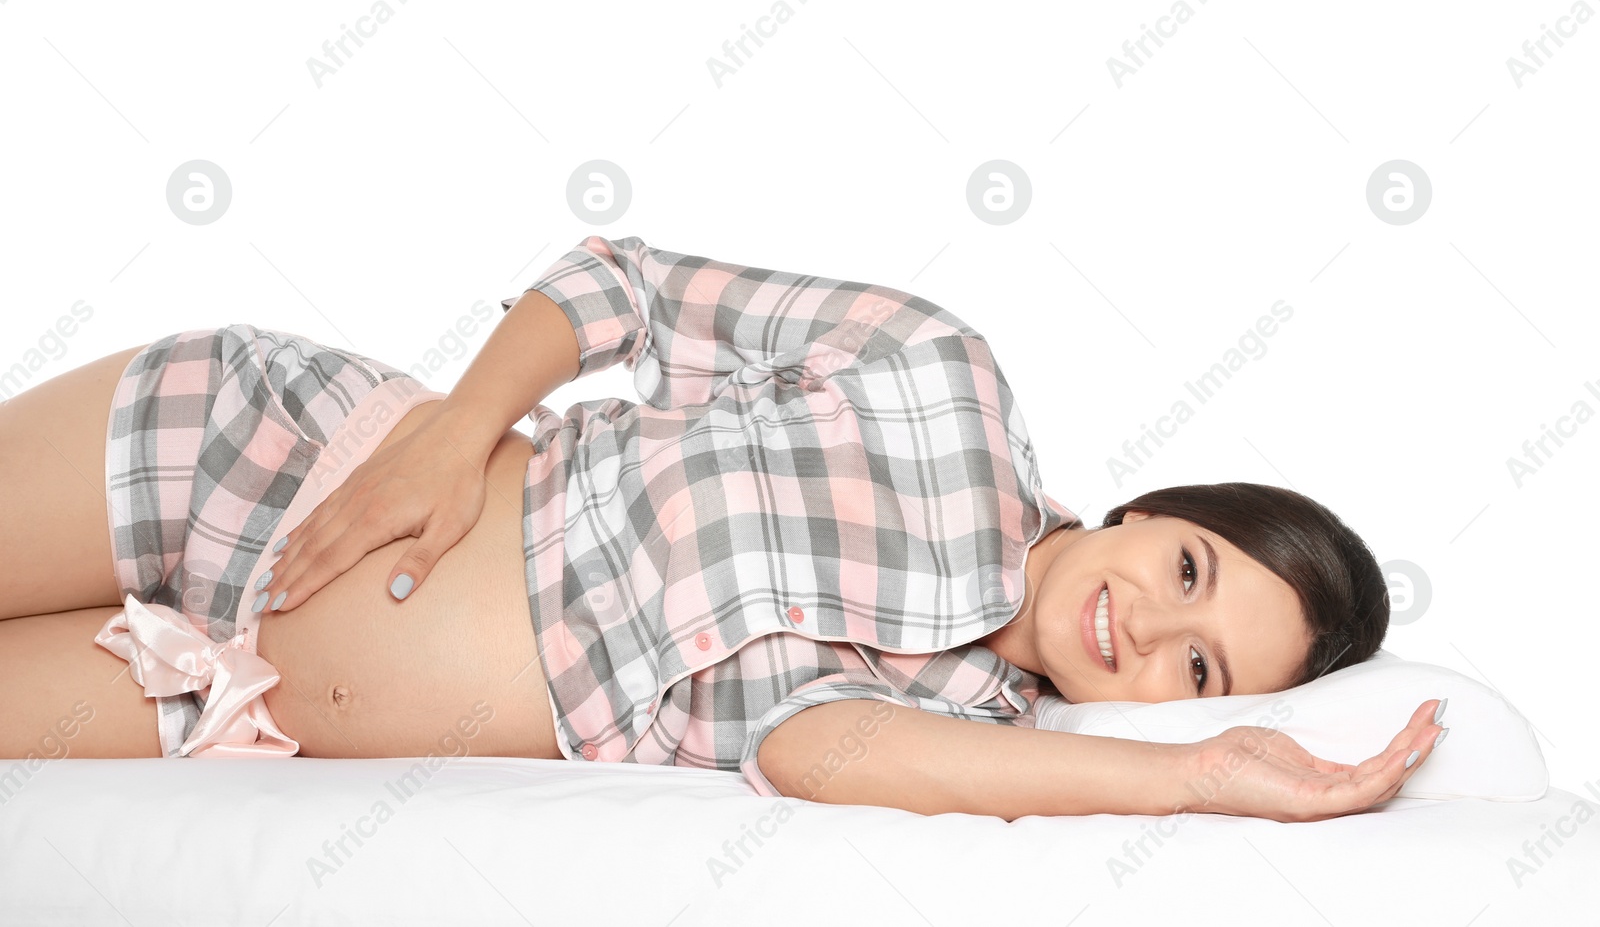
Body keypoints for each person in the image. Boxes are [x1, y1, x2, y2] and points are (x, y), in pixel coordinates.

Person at [0, 235, 1446, 822]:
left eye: (1196, 669)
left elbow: (797, 749)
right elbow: (627, 287)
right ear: (1148, 510)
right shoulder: (940, 375)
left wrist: (1193, 779)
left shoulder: (973, 723)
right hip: (252, 452)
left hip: (217, 695)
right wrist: (455, 430)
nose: (1151, 626)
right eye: (1187, 570)